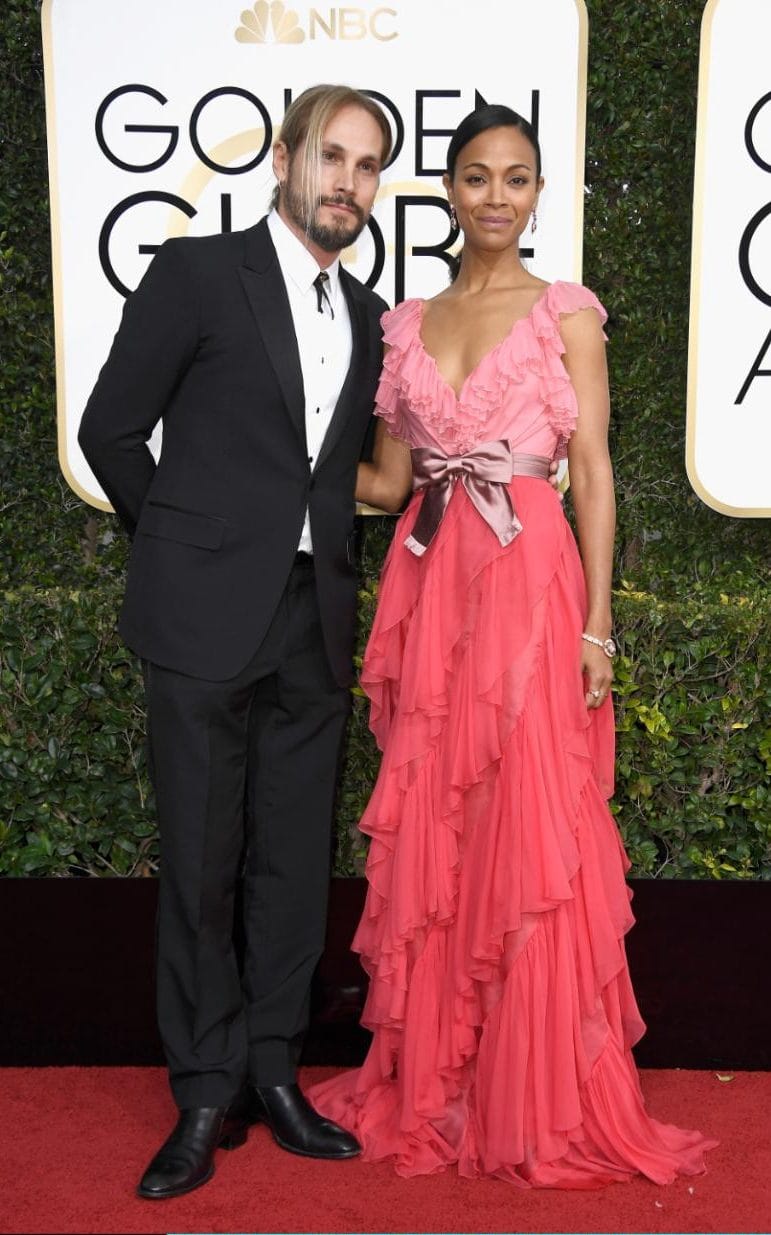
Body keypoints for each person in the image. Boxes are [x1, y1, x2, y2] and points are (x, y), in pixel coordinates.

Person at [308, 104, 718, 1187]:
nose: (497, 195)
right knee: (442, 821)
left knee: (528, 825)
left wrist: (600, 624)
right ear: (447, 187)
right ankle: (437, 1080)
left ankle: (532, 1092)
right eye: (478, 176)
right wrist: (261, 456)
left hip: (531, 582)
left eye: (518, 178)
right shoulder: (407, 322)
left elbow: (594, 473)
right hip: (434, 576)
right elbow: (391, 483)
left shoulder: (566, 312)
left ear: (539, 193)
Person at [78, 84, 394, 1200]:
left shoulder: (366, 315)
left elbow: (347, 472)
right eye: (333, 157)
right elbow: (108, 428)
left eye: (367, 166)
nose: (347, 181)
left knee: (291, 866)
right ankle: (203, 1087)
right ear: (287, 158)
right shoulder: (198, 273)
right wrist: (179, 544)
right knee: (204, 865)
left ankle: (273, 1069)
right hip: (203, 619)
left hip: (313, 624)